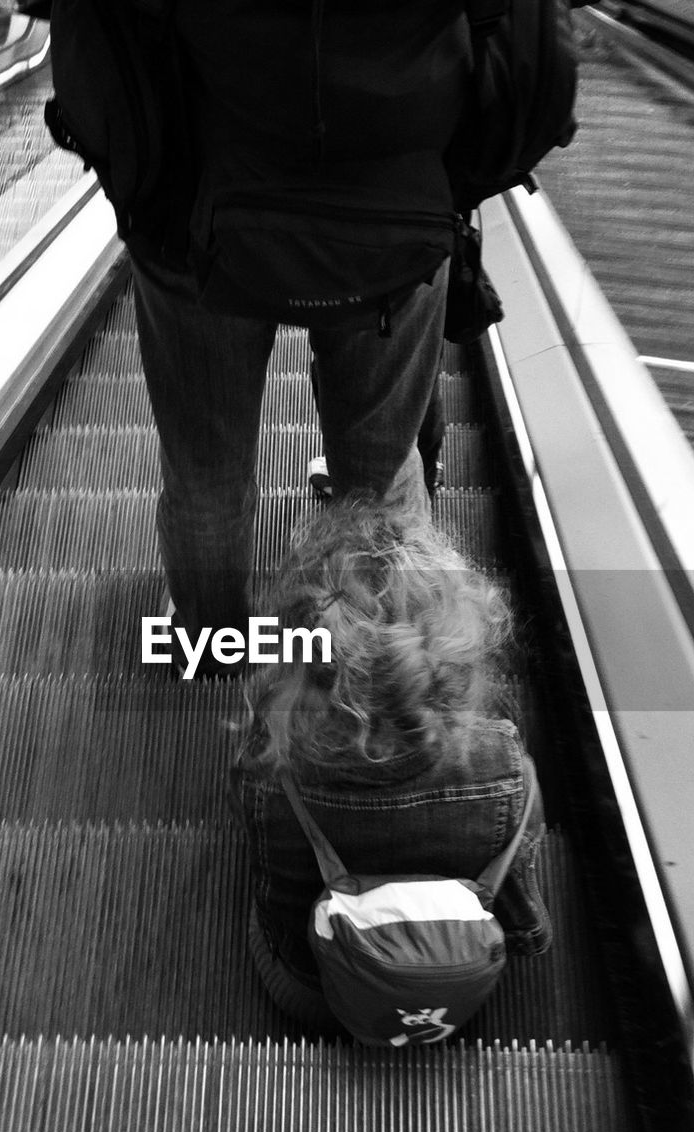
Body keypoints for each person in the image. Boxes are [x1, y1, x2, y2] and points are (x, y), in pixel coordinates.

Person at [131, 2, 472, 668]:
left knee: (205, 465)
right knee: (380, 459)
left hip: (192, 208)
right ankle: (381, 667)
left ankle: (212, 642)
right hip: (397, 214)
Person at [228, 496, 552, 1033]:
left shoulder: (271, 780)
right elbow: (519, 917)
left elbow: (277, 896)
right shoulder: (506, 772)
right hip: (453, 983)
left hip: (308, 986)